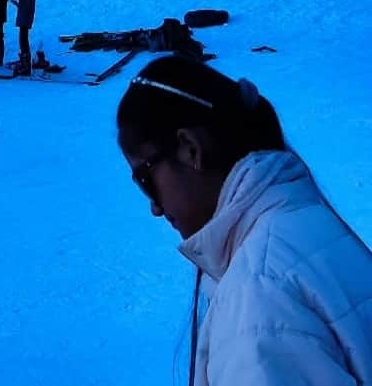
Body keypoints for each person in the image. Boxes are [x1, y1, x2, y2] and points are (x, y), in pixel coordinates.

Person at [117, 55, 372, 386]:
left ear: (189, 149)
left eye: (144, 177)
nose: (154, 208)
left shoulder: (256, 297)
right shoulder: (309, 223)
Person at [11, 0, 37, 74]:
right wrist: (17, 4)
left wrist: (19, 5)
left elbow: (27, 7)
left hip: (24, 19)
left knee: (23, 42)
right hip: (24, 18)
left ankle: (26, 67)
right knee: (23, 41)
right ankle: (25, 64)